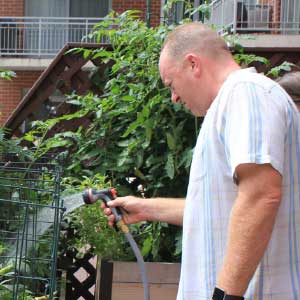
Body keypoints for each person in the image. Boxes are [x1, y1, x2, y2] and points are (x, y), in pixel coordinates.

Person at [102, 22, 300, 299]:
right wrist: (146, 209)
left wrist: (227, 295)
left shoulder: (246, 93)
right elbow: (222, 209)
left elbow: (261, 195)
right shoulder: (234, 102)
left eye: (171, 84)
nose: (173, 98)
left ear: (193, 64)